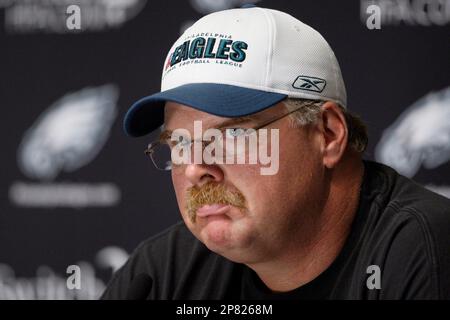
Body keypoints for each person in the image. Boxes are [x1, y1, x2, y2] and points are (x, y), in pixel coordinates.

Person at [101, 5, 450, 299]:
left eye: (233, 134)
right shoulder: (162, 275)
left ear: (328, 134)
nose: (195, 168)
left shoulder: (425, 252)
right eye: (179, 143)